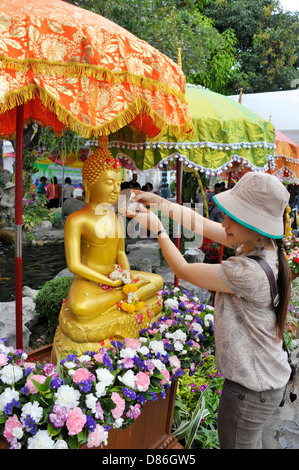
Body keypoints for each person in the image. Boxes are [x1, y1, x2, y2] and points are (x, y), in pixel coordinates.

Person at [128, 172, 292, 449]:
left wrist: (157, 229)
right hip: (266, 379)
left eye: (233, 218)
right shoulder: (264, 245)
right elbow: (203, 225)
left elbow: (183, 269)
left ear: (254, 224)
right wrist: (158, 202)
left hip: (250, 390)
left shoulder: (247, 271)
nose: (224, 223)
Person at [51, 138, 164, 362]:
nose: (115, 189)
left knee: (157, 281)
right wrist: (116, 286)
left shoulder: (115, 217)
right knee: (81, 309)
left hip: (115, 277)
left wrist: (125, 277)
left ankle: (121, 297)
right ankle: (121, 298)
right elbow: (74, 265)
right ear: (88, 184)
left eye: (117, 183)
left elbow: (120, 253)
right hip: (88, 282)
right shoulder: (77, 220)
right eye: (108, 182)